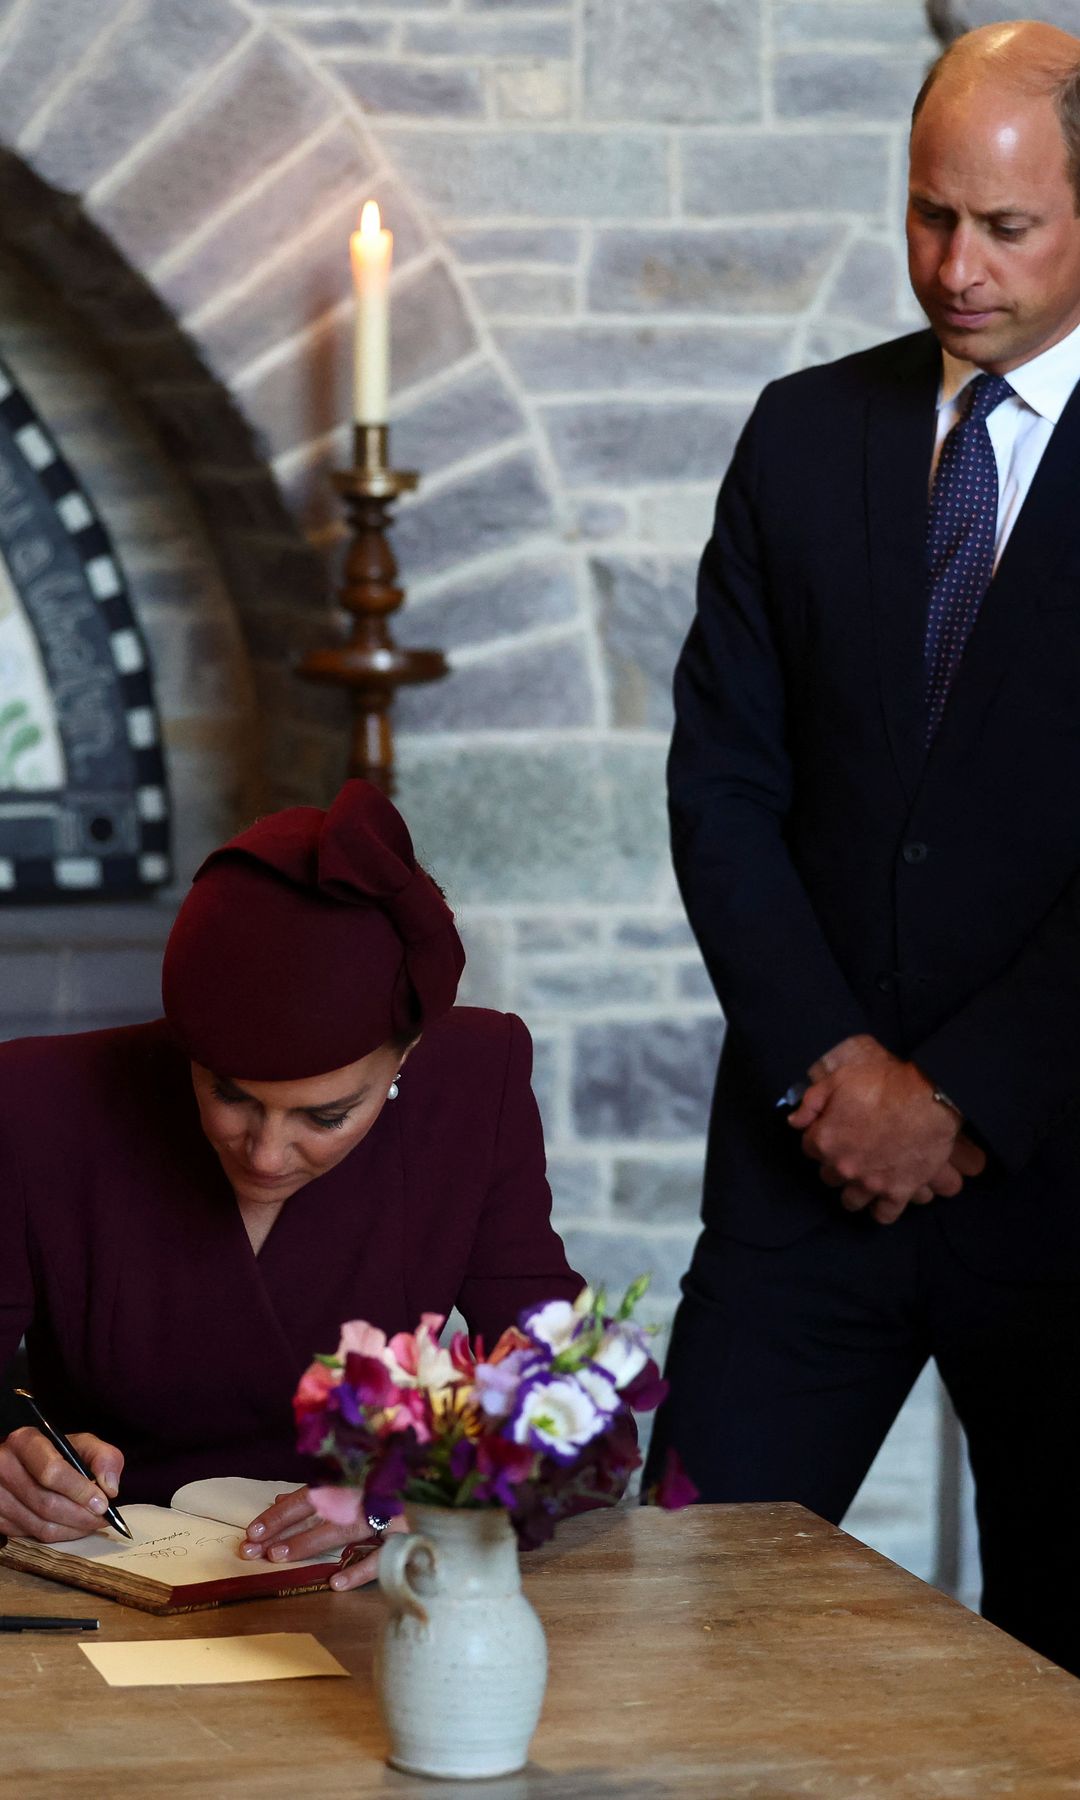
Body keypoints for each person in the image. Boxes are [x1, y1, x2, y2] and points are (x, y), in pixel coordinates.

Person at [645, 19, 1080, 1674]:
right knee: (678, 1627)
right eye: (927, 215)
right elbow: (721, 789)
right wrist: (837, 1069)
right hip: (802, 1167)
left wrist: (961, 1098)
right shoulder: (800, 434)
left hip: (1059, 1191)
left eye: (1005, 226)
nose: (954, 267)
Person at [0, 780, 580, 1588]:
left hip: (378, 1595)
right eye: (229, 1095)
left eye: (326, 1114)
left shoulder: (476, 1087)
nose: (267, 1155)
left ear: (405, 1056)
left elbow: (579, 1402)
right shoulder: (40, 1104)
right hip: (106, 1583)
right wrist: (9, 1471)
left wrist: (414, 1500)